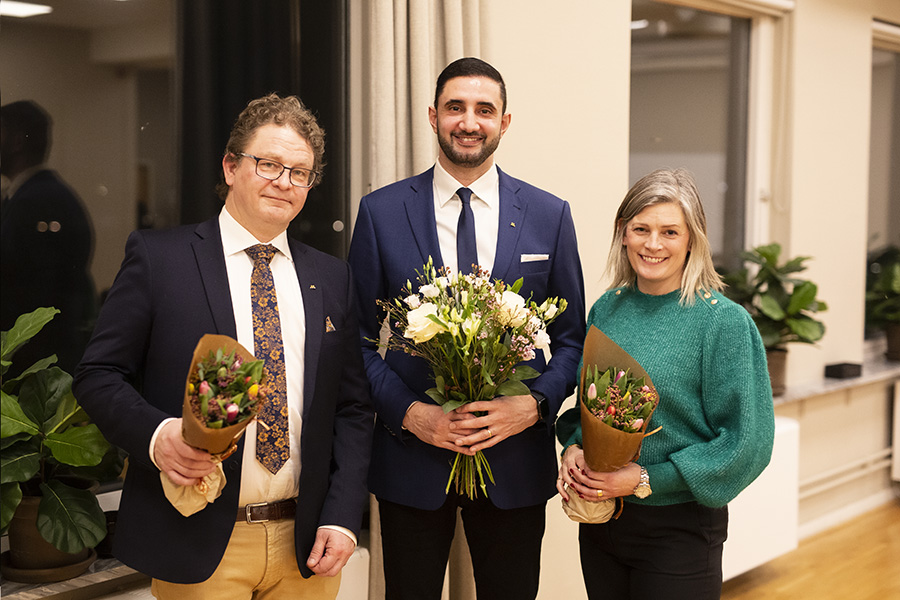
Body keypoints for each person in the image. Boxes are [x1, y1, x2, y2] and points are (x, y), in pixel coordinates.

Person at [74, 93, 374, 599]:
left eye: (300, 172)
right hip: (198, 539)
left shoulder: (332, 277)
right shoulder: (160, 259)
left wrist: (343, 517)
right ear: (231, 167)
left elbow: (351, 408)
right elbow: (97, 375)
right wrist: (157, 436)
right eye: (268, 164)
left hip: (307, 548)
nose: (284, 181)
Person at [348, 57, 586, 599]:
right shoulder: (381, 213)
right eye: (455, 107)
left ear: (505, 122)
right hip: (411, 459)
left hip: (514, 461)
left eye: (484, 109)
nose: (469, 121)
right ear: (433, 117)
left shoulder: (549, 214)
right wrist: (412, 414)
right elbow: (355, 341)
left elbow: (572, 339)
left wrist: (533, 405)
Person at [557, 168, 775, 600]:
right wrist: (574, 448)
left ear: (692, 240)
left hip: (679, 531)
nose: (653, 244)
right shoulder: (607, 309)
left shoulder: (723, 323)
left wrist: (646, 478)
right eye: (641, 229)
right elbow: (592, 406)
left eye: (670, 232)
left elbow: (746, 443)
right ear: (623, 233)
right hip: (602, 523)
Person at [1, 100, 96, 375]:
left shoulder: (38, 202)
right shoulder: (32, 197)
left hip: (36, 362)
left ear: (16, 142)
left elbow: (32, 293)